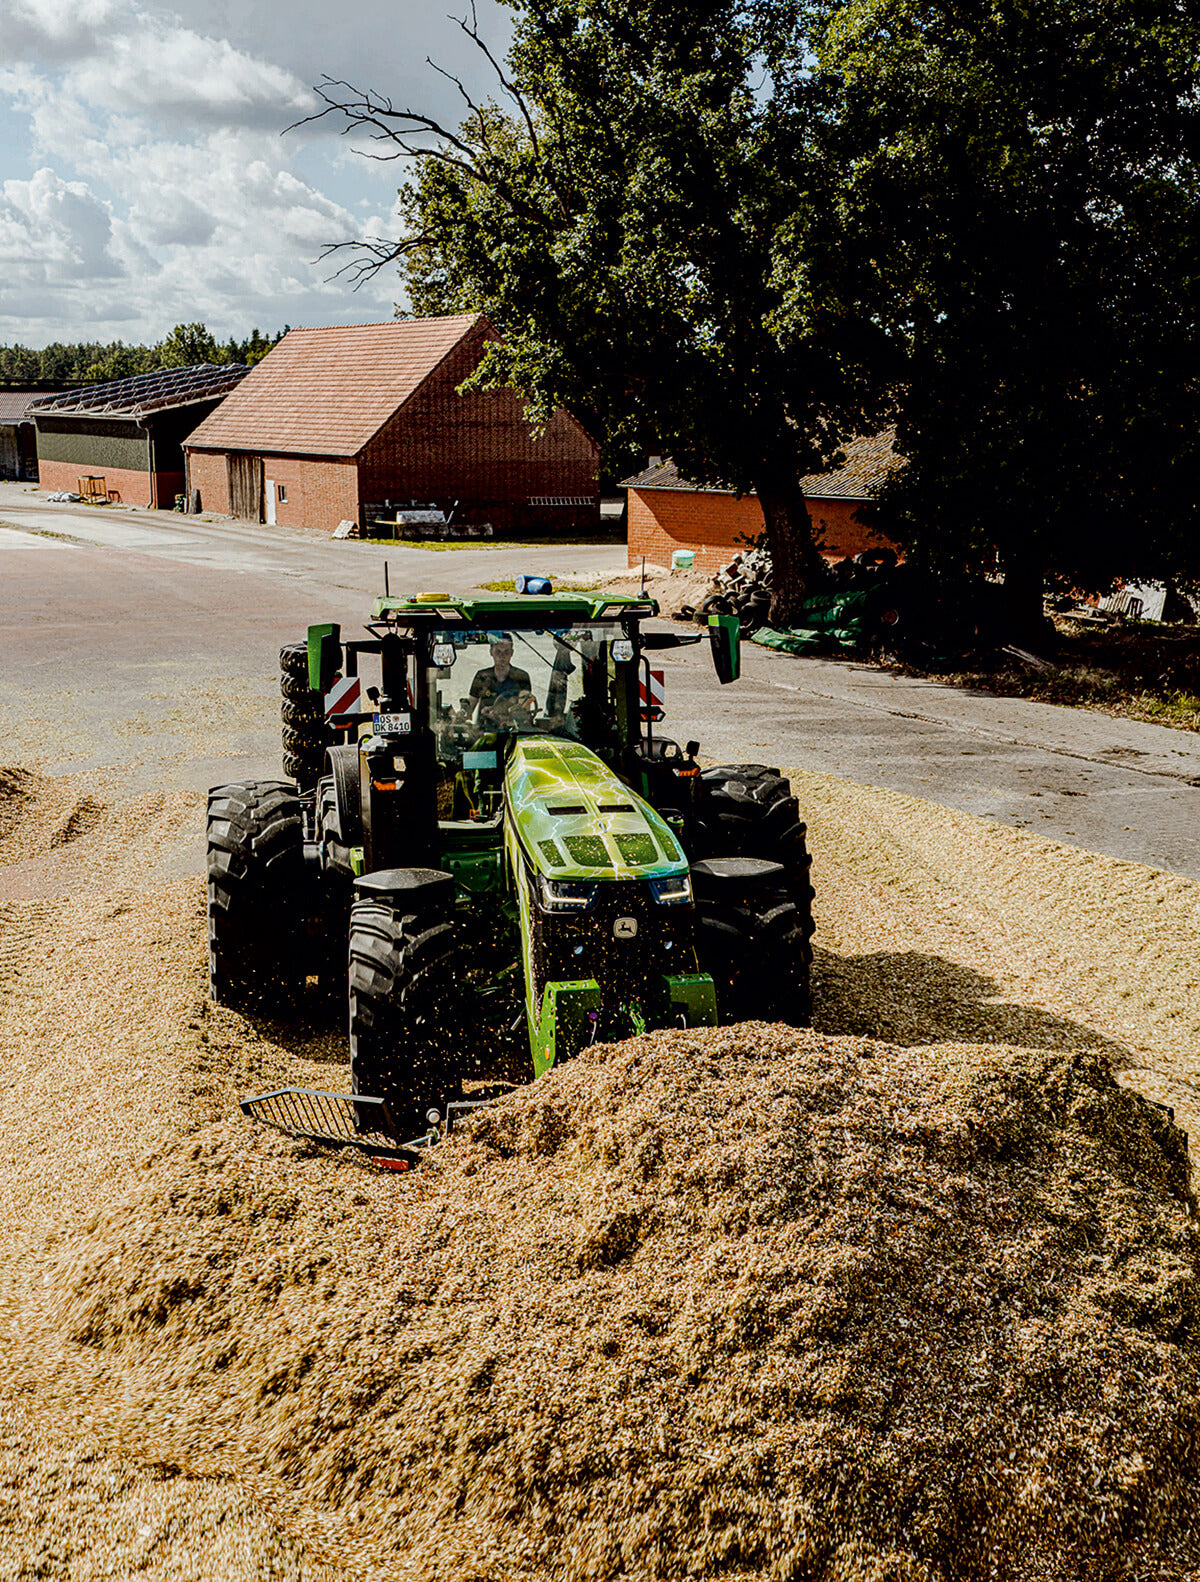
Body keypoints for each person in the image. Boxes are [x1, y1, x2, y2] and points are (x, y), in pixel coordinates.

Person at [465, 634, 532, 726]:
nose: (502, 656)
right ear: (491, 652)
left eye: (506, 652)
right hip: (483, 731)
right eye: (498, 652)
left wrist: (500, 717)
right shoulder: (482, 677)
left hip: (513, 730)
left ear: (512, 653)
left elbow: (525, 713)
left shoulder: (521, 677)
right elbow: (469, 709)